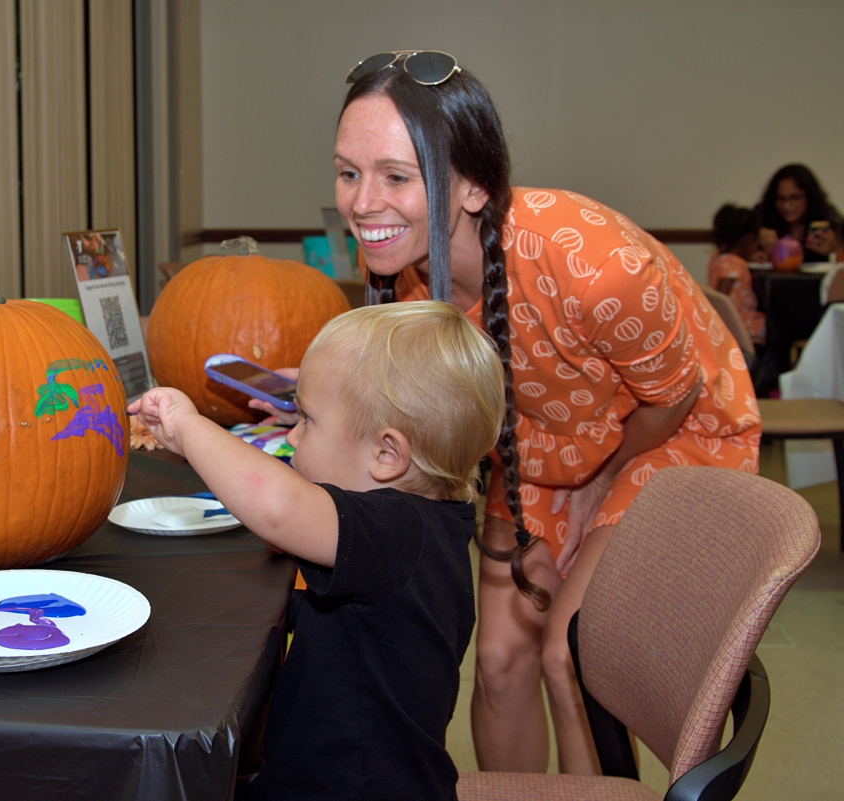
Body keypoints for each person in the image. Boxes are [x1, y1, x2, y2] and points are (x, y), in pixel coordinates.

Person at [250, 51, 760, 775]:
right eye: (348, 172)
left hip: (661, 440)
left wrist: (591, 489)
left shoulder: (593, 264)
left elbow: (673, 396)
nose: (362, 203)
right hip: (537, 450)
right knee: (496, 660)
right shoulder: (409, 284)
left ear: (475, 185)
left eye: (396, 175)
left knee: (566, 650)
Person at [131, 302, 506, 801]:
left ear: (387, 456)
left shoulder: (395, 531)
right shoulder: (426, 523)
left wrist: (188, 429)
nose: (291, 434)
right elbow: (288, 530)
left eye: (307, 420)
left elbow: (278, 508)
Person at [755, 163, 844, 262]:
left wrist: (836, 249)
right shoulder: (760, 217)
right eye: (781, 199)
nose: (786, 206)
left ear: (809, 197)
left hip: (819, 277)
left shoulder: (828, 218)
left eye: (794, 198)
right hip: (772, 277)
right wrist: (754, 241)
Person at [708, 204, 765, 342]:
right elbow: (722, 297)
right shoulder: (734, 266)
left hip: (736, 321)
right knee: (779, 328)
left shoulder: (718, 258)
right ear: (749, 239)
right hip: (740, 323)